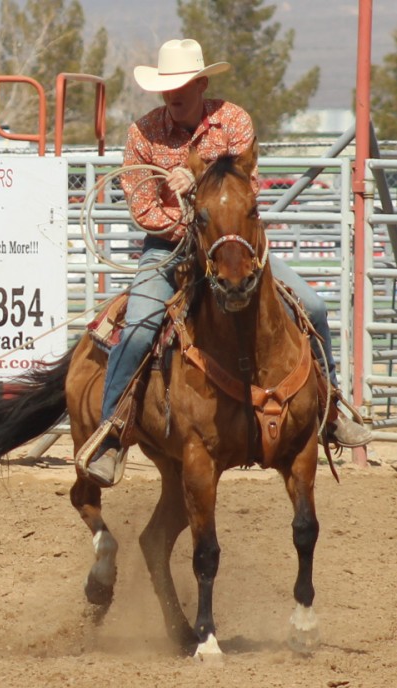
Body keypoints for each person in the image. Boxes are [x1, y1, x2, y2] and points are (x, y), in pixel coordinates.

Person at [85, 38, 372, 487]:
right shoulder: (143, 134)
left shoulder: (233, 121)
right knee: (139, 325)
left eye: (180, 85)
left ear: (201, 83)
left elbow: (247, 185)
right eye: (166, 86)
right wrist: (188, 220)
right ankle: (112, 432)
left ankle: (330, 409)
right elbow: (143, 209)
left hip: (235, 246)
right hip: (170, 246)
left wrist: (198, 179)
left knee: (313, 306)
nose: (172, 94)